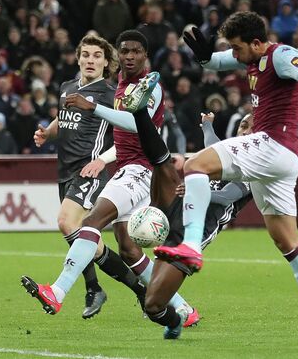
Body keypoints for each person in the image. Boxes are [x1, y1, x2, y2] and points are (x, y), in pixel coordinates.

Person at [156, 12, 298, 352]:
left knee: (197, 164)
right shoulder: (252, 56)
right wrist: (203, 57)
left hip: (273, 144)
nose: (235, 53)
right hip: (282, 161)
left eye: (238, 47)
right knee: (285, 238)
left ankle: (190, 246)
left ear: (257, 43)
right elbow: (217, 63)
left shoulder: (279, 54)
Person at [21, 31, 198, 325]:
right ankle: (183, 308)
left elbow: (135, 122)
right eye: (125, 51)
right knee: (128, 249)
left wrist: (95, 111)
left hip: (140, 169)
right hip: (128, 169)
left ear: (145, 55)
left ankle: (58, 290)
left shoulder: (148, 85)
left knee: (89, 223)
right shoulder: (122, 85)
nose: (130, 56)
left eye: (136, 51)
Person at [119, 78, 254, 339]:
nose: (243, 130)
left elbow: (226, 197)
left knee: (154, 304)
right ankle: (139, 110)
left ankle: (178, 319)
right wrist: (207, 126)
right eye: (242, 125)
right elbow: (214, 144)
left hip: (192, 236)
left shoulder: (252, 169)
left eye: (250, 127)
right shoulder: (229, 152)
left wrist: (196, 190)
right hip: (176, 211)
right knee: (162, 164)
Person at [29, 34, 147, 319]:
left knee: (65, 222)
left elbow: (132, 132)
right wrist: (48, 131)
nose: (90, 60)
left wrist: (102, 160)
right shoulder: (67, 87)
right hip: (65, 172)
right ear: (78, 58)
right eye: (85, 55)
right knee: (92, 246)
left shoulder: (110, 94)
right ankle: (142, 292)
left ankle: (86, 288)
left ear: (107, 62)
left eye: (97, 56)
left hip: (89, 171)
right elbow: (64, 114)